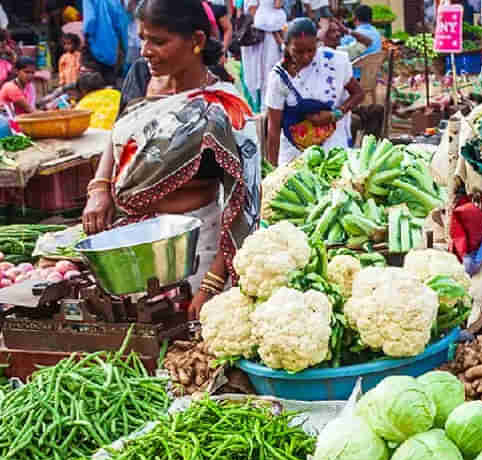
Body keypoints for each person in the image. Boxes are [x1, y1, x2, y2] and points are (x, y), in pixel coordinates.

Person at [82, 0, 260, 320]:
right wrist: (99, 187)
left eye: (159, 41)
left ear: (197, 41)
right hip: (132, 243)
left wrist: (212, 283)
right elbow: (118, 130)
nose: (146, 51)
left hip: (193, 251)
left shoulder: (224, 107)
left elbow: (246, 202)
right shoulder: (140, 76)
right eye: (144, 39)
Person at [264, 18, 364, 167]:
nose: (306, 57)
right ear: (286, 47)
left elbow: (358, 94)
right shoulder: (279, 77)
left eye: (311, 50)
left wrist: (335, 114)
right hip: (295, 154)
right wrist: (272, 171)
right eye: (298, 52)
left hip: (333, 149)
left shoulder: (334, 62)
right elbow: (273, 129)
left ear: (317, 43)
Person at [241, 0, 285, 107]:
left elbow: (278, 5)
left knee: (265, 74)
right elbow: (253, 9)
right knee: (265, 74)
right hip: (260, 36)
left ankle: (263, 107)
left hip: (264, 34)